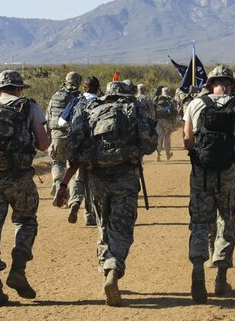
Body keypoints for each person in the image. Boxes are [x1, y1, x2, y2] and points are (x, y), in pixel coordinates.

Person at [54, 80, 157, 306]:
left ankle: (105, 268)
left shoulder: (90, 109)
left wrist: (65, 183)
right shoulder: (134, 108)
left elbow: (73, 147)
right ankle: (113, 268)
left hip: (97, 179)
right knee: (122, 227)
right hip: (126, 177)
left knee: (102, 224)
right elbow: (149, 144)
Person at [0, 70, 50, 307]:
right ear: (19, 88)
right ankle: (18, 270)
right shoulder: (29, 107)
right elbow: (43, 144)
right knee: (26, 221)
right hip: (20, 178)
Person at [183, 65, 235, 303]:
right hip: (229, 174)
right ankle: (221, 276)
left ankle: (198, 266)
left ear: (211, 84)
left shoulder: (194, 104)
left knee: (200, 222)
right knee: (228, 221)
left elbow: (187, 141)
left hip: (201, 174)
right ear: (231, 85)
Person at [60, 76, 100, 226]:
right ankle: (89, 215)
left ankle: (75, 201)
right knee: (91, 179)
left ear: (84, 87)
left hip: (76, 145)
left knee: (77, 175)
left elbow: (61, 121)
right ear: (97, 88)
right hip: (94, 146)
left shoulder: (75, 101)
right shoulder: (100, 102)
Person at [46, 72, 83, 196]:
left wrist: (49, 137)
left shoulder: (55, 96)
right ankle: (71, 192)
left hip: (57, 134)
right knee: (73, 164)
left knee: (57, 161)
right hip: (74, 136)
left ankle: (57, 184)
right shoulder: (80, 97)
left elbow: (48, 116)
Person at [154, 87, 174, 161]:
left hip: (157, 121)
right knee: (167, 138)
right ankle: (168, 154)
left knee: (159, 138)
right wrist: (173, 122)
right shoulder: (170, 100)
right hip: (167, 121)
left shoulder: (156, 99)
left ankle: (157, 156)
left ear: (162, 92)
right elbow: (174, 112)